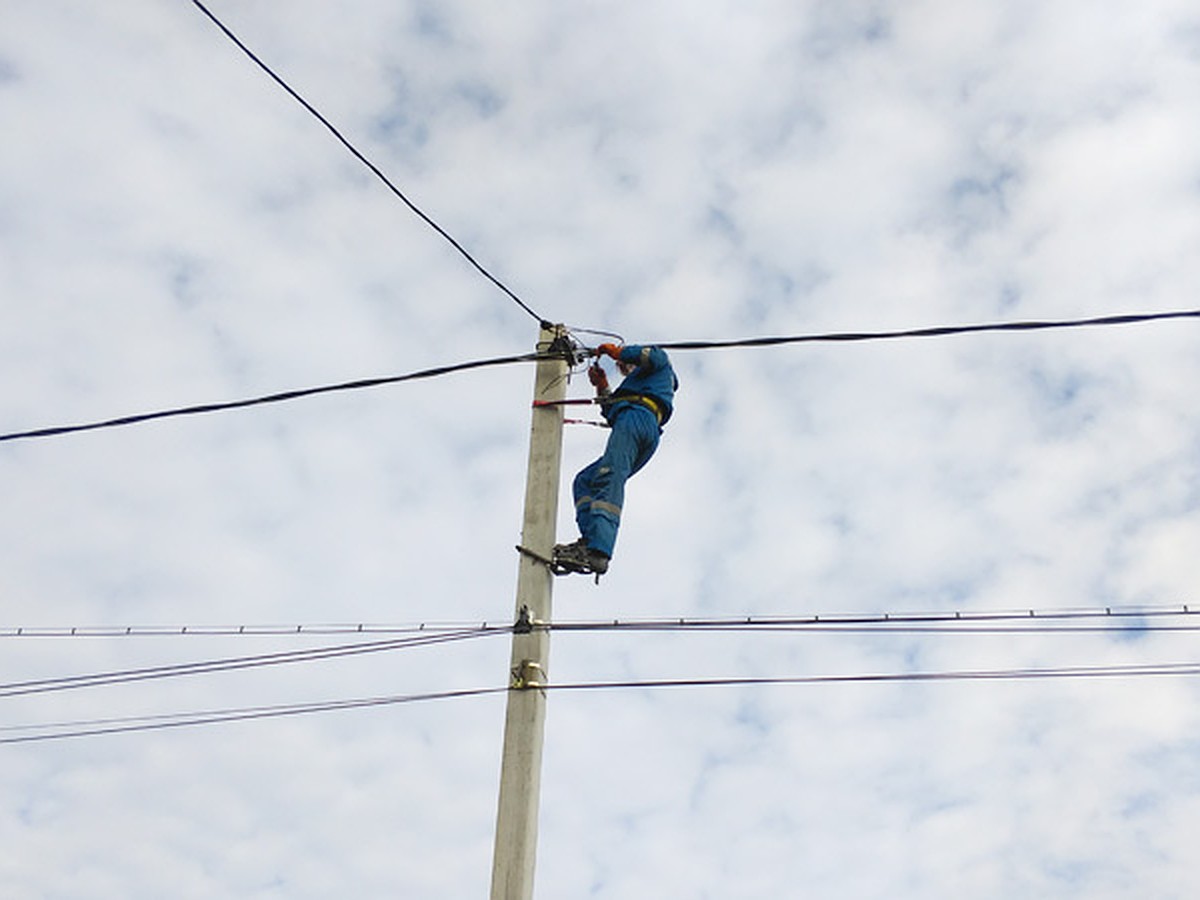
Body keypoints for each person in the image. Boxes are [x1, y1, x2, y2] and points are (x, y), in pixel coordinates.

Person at [553, 342, 677, 576]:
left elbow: (648, 355)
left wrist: (615, 351)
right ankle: (589, 542)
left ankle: (599, 550)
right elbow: (611, 412)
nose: (624, 369)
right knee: (586, 480)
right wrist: (602, 387)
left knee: (609, 476)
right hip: (635, 424)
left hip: (637, 420)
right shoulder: (638, 387)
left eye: (624, 365)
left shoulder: (660, 366)